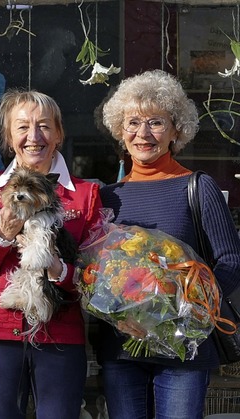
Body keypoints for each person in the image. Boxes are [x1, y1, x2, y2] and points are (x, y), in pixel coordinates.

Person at [98, 69, 240, 418]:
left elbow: (231, 261)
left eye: (155, 123)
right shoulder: (106, 197)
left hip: (183, 351)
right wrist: (115, 315)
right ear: (120, 130)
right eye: (132, 122)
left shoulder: (197, 186)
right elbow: (97, 273)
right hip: (122, 352)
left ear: (176, 130)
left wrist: (182, 310)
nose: (142, 134)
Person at [0, 89, 103, 419]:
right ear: (9, 137)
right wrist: (2, 237)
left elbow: (95, 282)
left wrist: (57, 268)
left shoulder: (86, 195)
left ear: (59, 134)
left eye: (44, 126)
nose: (33, 137)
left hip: (59, 334)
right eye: (22, 127)